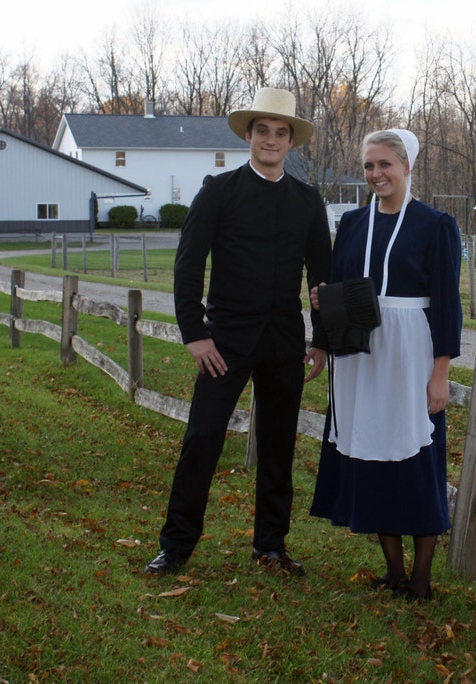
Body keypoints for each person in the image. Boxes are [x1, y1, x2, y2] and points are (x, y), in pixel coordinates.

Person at [144, 87, 332, 577]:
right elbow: (187, 267)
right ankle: (176, 546)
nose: (271, 139)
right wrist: (194, 332)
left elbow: (322, 277)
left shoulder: (308, 201)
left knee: (277, 446)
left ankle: (270, 546)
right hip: (223, 342)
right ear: (249, 136)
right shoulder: (219, 191)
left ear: (291, 142)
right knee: (203, 438)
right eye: (263, 131)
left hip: (283, 342)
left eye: (281, 132)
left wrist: (322, 340)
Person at [309, 129, 462, 600]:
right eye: (370, 165)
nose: (376, 174)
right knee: (372, 455)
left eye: (385, 165)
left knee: (416, 460)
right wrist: (323, 301)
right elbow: (336, 286)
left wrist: (441, 373)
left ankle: (421, 579)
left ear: (407, 167)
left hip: (410, 352)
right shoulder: (353, 224)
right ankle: (393, 571)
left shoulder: (435, 225)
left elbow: (446, 305)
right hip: (360, 355)